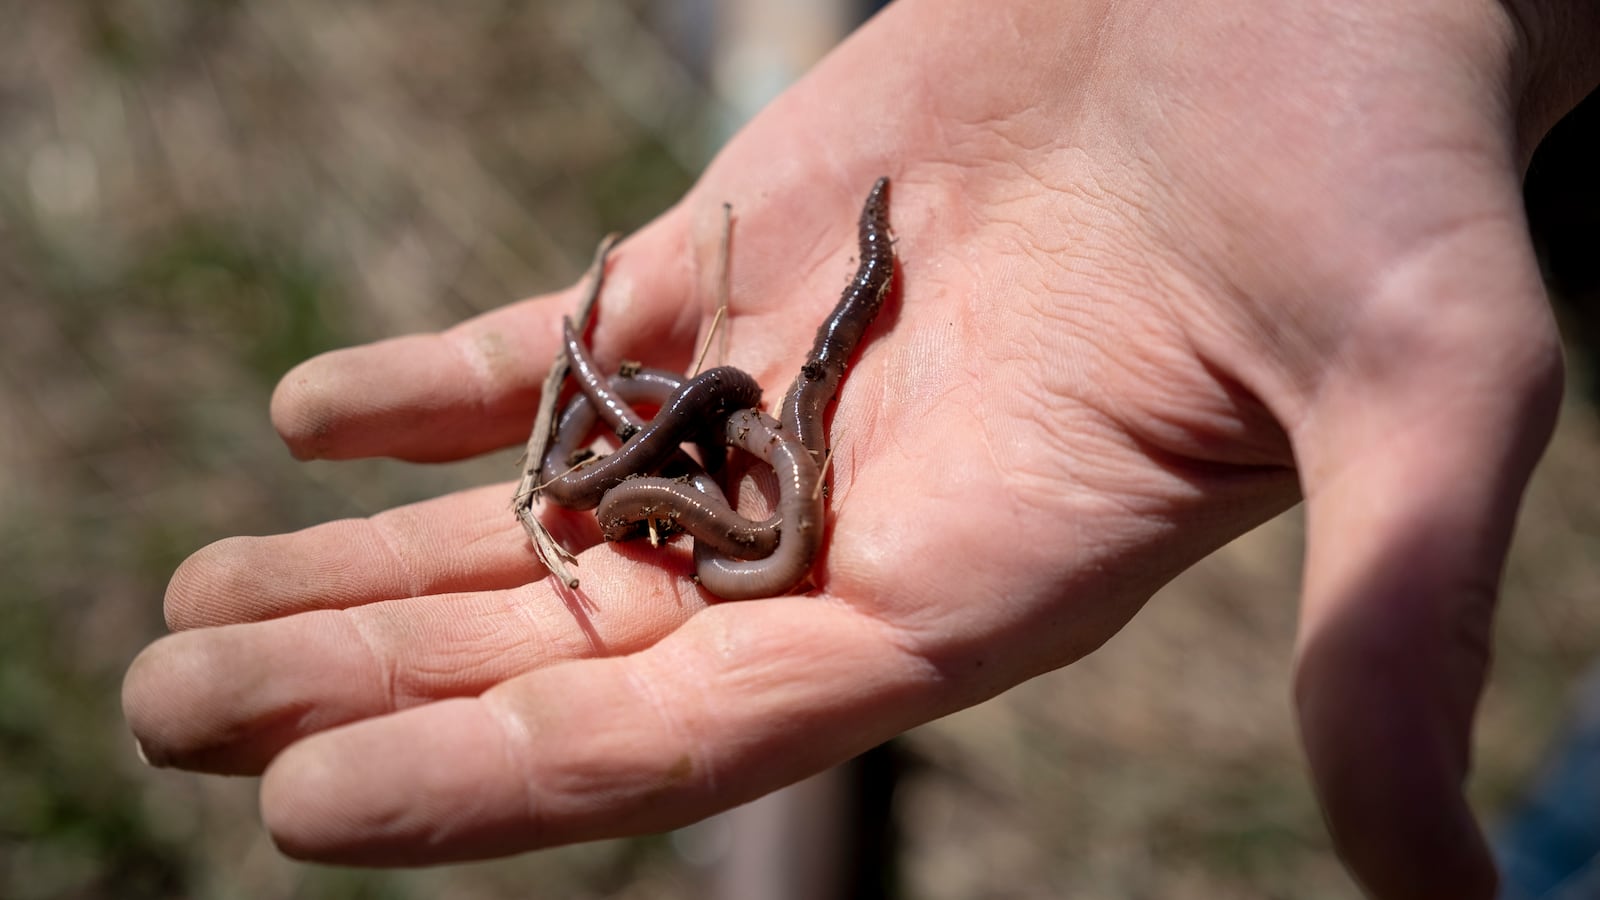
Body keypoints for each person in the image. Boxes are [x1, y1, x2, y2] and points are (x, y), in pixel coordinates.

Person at [120, 1, 1600, 896]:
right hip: (685, 463)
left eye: (872, 256)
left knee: (784, 377)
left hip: (683, 463)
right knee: (767, 386)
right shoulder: (711, 455)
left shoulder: (721, 451)